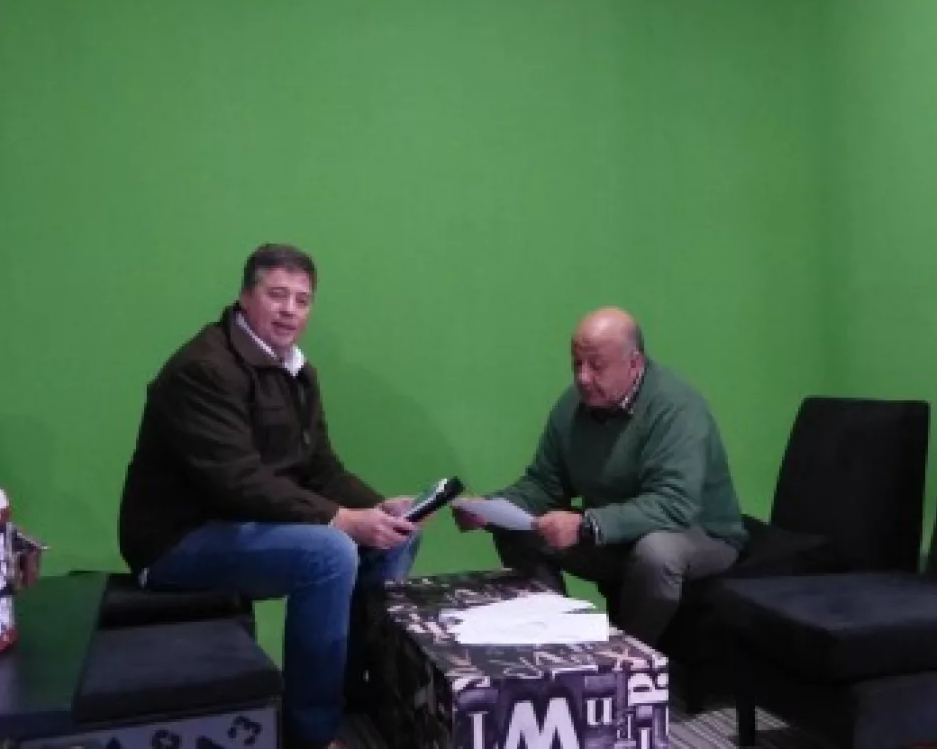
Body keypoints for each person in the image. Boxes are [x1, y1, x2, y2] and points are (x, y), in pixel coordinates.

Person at [118, 244, 424, 749]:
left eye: (302, 300)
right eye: (277, 295)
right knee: (330, 552)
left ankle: (355, 700)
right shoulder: (203, 369)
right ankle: (312, 734)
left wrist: (378, 508)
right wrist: (340, 519)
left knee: (395, 537)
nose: (290, 311)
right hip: (177, 541)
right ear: (245, 297)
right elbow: (236, 481)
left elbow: (320, 469)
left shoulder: (298, 372)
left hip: (241, 525)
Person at [456, 307, 747, 647]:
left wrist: (586, 525)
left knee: (657, 552)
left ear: (634, 363)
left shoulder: (677, 407)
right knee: (519, 529)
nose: (583, 377)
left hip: (699, 532)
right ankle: (557, 641)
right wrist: (491, 508)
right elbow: (545, 484)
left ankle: (624, 660)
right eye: (577, 364)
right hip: (613, 530)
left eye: (597, 365)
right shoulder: (572, 406)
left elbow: (675, 504)